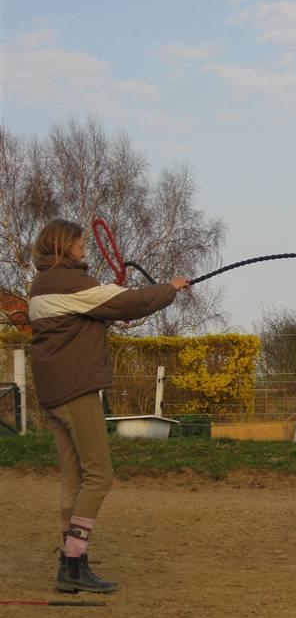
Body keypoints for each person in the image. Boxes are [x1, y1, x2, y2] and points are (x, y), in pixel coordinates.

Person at [28, 218, 190, 594]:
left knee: (75, 478)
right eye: (79, 240)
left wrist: (118, 300)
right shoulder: (69, 282)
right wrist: (170, 288)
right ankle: (72, 561)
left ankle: (70, 565)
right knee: (100, 476)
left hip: (54, 392)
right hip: (76, 389)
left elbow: (106, 306)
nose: (84, 244)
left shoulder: (43, 284)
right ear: (64, 245)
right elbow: (127, 302)